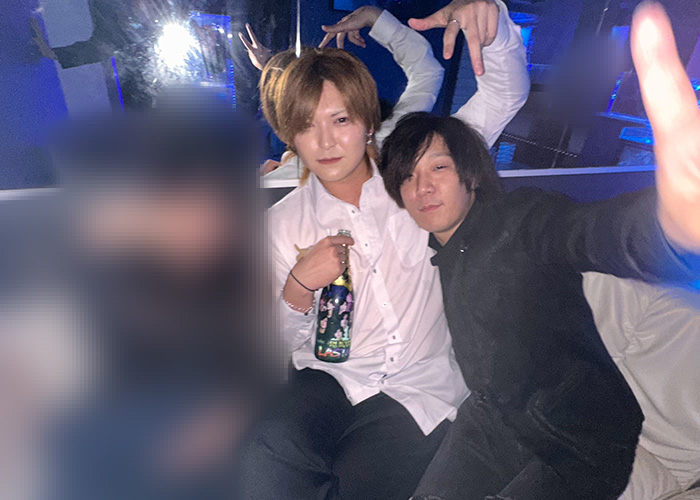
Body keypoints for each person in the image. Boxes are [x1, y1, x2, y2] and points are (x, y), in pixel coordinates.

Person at [378, 2, 700, 499]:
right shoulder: (427, 246)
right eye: (407, 177)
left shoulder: (519, 221)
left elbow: (585, 232)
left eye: (438, 168)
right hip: (493, 417)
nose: (422, 187)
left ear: (470, 174)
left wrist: (670, 227)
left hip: (581, 439)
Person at [237, 1, 529, 499]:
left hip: (420, 386)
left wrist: (493, 27)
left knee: (366, 483)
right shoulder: (279, 225)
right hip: (330, 378)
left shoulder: (420, 179)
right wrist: (298, 288)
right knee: (268, 450)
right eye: (306, 126)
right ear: (290, 137)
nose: (325, 142)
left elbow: (504, 94)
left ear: (369, 122)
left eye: (341, 119)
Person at [45, 100, 278, 500]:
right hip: (139, 399)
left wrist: (227, 419)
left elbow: (259, 363)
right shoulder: (131, 265)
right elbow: (111, 358)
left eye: (211, 208)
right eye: (182, 206)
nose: (198, 222)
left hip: (216, 400)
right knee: (77, 440)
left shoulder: (243, 269)